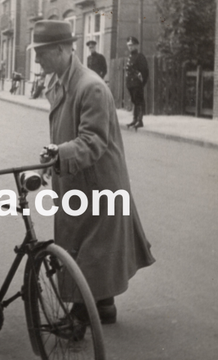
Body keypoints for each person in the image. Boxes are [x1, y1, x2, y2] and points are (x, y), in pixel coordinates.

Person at [33, 20, 154, 324]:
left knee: (89, 249)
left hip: (97, 183)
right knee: (91, 247)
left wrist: (60, 153)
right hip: (79, 177)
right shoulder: (59, 81)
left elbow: (94, 140)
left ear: (61, 50)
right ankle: (104, 306)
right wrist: (54, 158)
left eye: (41, 52)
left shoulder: (91, 87)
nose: (37, 59)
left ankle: (79, 318)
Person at [125, 36, 149, 130]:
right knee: (134, 101)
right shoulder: (130, 56)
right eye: (128, 45)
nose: (130, 47)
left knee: (139, 101)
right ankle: (135, 119)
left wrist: (142, 83)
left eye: (131, 45)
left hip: (137, 83)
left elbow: (145, 72)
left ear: (136, 46)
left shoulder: (140, 56)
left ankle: (140, 120)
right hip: (131, 84)